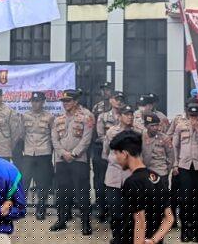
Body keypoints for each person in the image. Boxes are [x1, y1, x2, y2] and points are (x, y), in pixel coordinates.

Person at [51, 89, 94, 236]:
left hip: (79, 160)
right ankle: (61, 220)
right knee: (61, 192)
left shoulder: (86, 117)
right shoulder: (58, 118)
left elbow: (86, 139)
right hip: (61, 160)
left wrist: (74, 154)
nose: (65, 104)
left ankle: (86, 223)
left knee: (82, 193)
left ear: (76, 101)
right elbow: (54, 139)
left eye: (68, 101)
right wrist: (63, 154)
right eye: (63, 101)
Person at [172, 100, 198, 242]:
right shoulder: (180, 125)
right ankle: (185, 229)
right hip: (184, 166)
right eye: (191, 114)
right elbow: (175, 146)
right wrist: (175, 164)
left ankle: (195, 229)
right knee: (185, 199)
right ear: (187, 112)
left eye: (196, 114)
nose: (193, 117)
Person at [102, 105, 137, 236]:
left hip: (130, 176)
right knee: (115, 210)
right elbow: (105, 152)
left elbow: (141, 155)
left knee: (130, 210)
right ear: (120, 116)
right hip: (114, 177)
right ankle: (117, 239)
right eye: (127, 114)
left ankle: (128, 239)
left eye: (131, 115)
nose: (130, 117)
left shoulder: (138, 133)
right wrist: (116, 161)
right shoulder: (111, 132)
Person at [20, 91, 55, 220]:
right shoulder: (25, 116)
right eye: (33, 101)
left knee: (42, 182)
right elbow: (22, 135)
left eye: (37, 101)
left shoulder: (50, 117)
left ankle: (41, 208)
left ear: (43, 102)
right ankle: (21, 207)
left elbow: (53, 136)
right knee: (24, 181)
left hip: (43, 154)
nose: (35, 104)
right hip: (29, 153)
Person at [91, 83, 114, 221]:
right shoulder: (96, 107)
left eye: (108, 90)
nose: (105, 92)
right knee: (99, 178)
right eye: (103, 90)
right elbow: (92, 126)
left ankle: (112, 207)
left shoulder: (118, 106)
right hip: (99, 147)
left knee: (112, 179)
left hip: (114, 148)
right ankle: (101, 206)